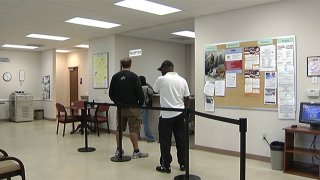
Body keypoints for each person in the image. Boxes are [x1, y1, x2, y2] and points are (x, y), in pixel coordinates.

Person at [153, 60, 190, 173]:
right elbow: (187, 97)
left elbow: (154, 90)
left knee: (165, 142)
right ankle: (183, 164)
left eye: (161, 70)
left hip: (166, 116)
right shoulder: (182, 80)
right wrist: (185, 111)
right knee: (181, 140)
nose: (161, 73)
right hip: (180, 114)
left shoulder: (162, 79)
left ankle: (166, 166)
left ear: (165, 68)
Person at [109, 57, 148, 159]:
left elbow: (111, 93)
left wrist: (116, 102)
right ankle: (136, 151)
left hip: (120, 107)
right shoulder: (134, 76)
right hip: (132, 107)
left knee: (119, 129)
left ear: (121, 65)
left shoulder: (115, 77)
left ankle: (118, 149)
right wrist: (139, 104)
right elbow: (140, 93)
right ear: (130, 65)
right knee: (133, 130)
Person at [139, 75, 155, 143]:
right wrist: (147, 84)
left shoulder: (137, 88)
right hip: (144, 106)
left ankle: (137, 137)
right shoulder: (146, 88)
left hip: (137, 106)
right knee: (145, 124)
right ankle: (150, 138)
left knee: (137, 123)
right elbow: (153, 91)